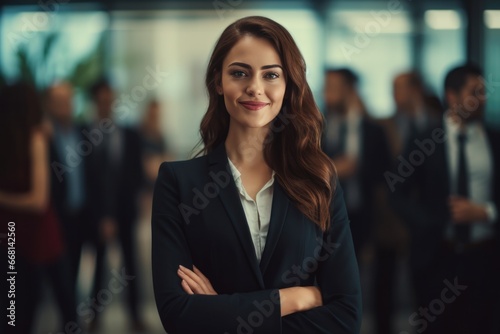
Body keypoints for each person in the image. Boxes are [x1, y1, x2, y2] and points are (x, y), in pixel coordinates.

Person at [151, 16, 362, 334]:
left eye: (271, 75)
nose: (255, 88)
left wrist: (220, 311)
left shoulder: (319, 179)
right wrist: (294, 298)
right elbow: (177, 315)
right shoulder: (177, 183)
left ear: (288, 85)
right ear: (218, 82)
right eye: (239, 73)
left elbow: (346, 317)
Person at [391, 64, 500, 334]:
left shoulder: (495, 140)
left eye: (484, 92)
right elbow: (397, 192)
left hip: (485, 258)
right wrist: (428, 224)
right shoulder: (425, 140)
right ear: (452, 96)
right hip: (437, 257)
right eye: (475, 92)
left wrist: (486, 212)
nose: (483, 99)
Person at [0, 83, 76, 334]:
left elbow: (38, 200)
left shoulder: (34, 136)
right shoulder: (34, 136)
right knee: (21, 305)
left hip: (27, 231)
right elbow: (39, 200)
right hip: (28, 232)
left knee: (21, 304)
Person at [85, 79, 145, 331]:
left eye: (110, 99)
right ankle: (95, 317)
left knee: (131, 265)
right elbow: (88, 181)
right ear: (95, 102)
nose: (106, 104)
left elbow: (136, 174)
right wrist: (101, 216)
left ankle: (135, 315)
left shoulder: (129, 134)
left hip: (125, 212)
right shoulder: (84, 135)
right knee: (99, 266)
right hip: (97, 214)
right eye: (102, 100)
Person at [321, 68, 391, 259]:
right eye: (325, 86)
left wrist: (358, 168)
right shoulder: (314, 127)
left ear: (350, 90)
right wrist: (332, 170)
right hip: (322, 215)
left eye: (332, 87)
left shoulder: (373, 130)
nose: (325, 92)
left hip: (361, 213)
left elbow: (386, 174)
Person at [44, 81, 90, 303]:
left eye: (68, 99)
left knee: (74, 268)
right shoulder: (43, 136)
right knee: (55, 274)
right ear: (49, 104)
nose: (65, 105)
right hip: (54, 216)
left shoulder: (84, 132)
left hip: (80, 215)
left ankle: (69, 317)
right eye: (59, 100)